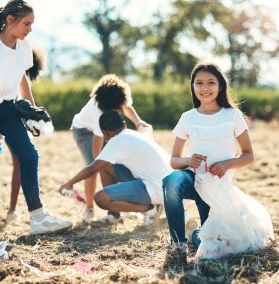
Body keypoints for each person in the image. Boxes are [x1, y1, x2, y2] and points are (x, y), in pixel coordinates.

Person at [0, 0, 72, 235]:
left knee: (29, 156)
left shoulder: (24, 45)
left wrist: (32, 109)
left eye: (32, 24)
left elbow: (22, 76)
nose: (30, 29)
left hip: (10, 108)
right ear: (10, 21)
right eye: (26, 24)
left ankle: (38, 218)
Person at [163, 61, 274, 258]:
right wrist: (189, 160)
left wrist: (226, 164)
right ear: (193, 86)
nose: (205, 88)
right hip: (192, 179)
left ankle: (194, 235)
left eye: (211, 82)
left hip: (217, 188)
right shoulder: (187, 118)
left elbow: (249, 155)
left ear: (220, 85)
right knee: (171, 180)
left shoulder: (232, 116)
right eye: (199, 83)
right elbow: (174, 160)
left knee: (218, 244)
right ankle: (178, 243)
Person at [60, 110, 171, 226]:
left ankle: (149, 209)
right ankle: (116, 214)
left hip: (157, 189)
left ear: (105, 133)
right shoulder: (134, 134)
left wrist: (69, 183)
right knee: (105, 166)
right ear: (124, 125)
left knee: (100, 198)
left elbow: (92, 168)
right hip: (170, 186)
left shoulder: (117, 141)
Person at [71, 74, 150, 223]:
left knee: (118, 164)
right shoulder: (99, 114)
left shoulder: (118, 97)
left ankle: (120, 207)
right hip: (84, 131)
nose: (120, 110)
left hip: (105, 128)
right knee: (94, 167)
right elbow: (97, 156)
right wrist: (104, 163)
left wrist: (138, 122)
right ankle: (90, 208)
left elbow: (127, 107)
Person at [0, 49, 44, 224]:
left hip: (9, 117)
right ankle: (12, 210)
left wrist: (32, 113)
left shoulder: (19, 65)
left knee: (21, 160)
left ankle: (13, 211)